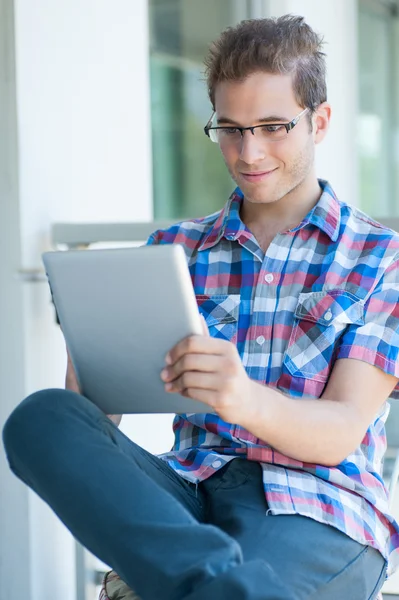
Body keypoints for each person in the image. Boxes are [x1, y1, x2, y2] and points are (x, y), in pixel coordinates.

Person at [3, 14, 399, 600]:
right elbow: (93, 422)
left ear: (320, 121)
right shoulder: (172, 250)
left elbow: (340, 432)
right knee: (43, 419)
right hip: (185, 499)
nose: (248, 151)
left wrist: (242, 397)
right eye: (231, 129)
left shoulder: (380, 256)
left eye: (272, 127)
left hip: (317, 504)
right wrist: (95, 351)